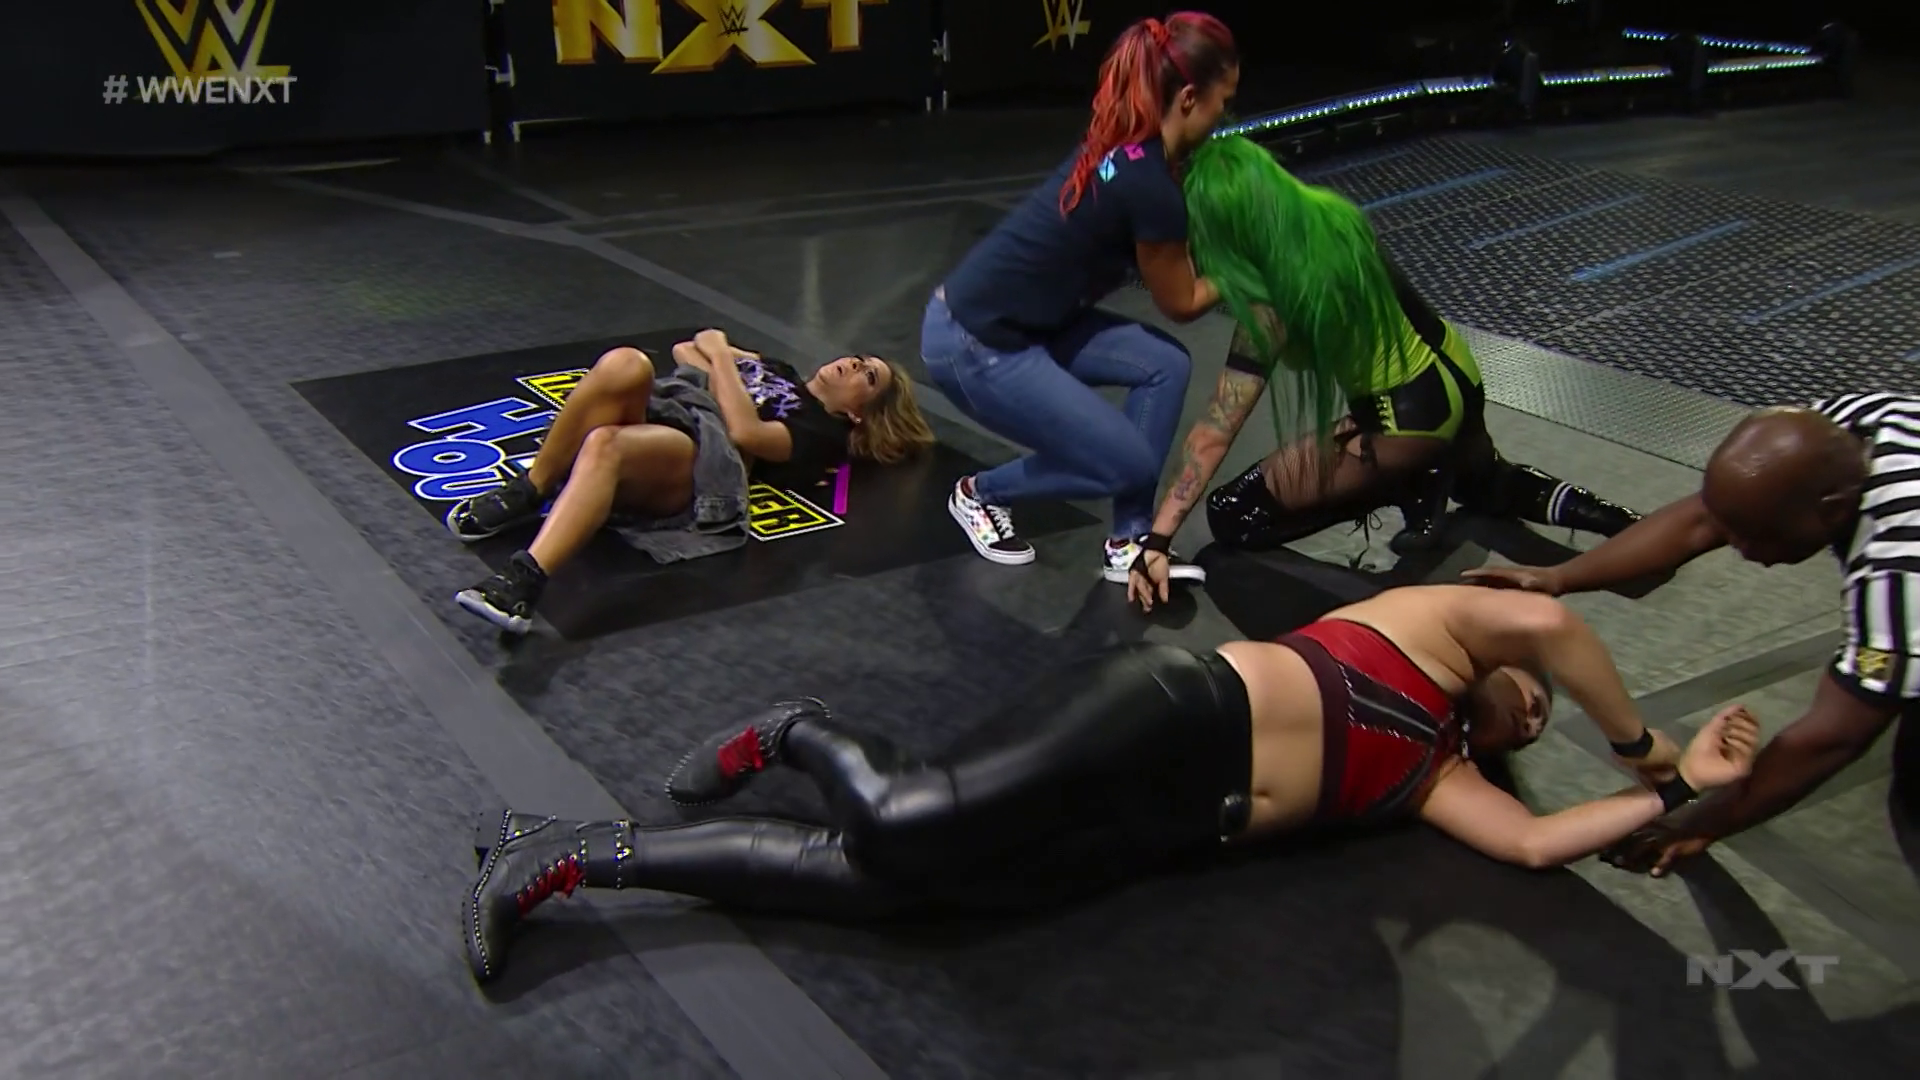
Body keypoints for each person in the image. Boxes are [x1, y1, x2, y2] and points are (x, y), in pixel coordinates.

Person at [459, 584, 1759, 982]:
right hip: (1163, 709)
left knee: (883, 889)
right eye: (1534, 694)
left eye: (1538, 720)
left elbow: (1533, 845)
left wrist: (1680, 800)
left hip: (1164, 825)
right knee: (908, 817)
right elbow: (1555, 627)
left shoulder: (1438, 773)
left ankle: (566, 853)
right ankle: (800, 727)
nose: (1535, 705)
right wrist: (1647, 747)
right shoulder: (1442, 630)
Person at [1127, 135, 1639, 608]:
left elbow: (1218, 426)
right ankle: (1628, 527)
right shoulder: (1333, 217)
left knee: (1234, 512)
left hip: (1405, 423)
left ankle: (1409, 479)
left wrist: (1157, 539)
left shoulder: (1271, 299)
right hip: (1457, 373)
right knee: (1486, 482)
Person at [1461, 395, 1920, 875]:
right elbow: (1701, 520)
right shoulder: (1850, 423)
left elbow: (1832, 737)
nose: (1739, 549)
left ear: (1833, 508)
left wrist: (1698, 825)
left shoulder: (1896, 575)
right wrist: (1558, 577)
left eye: (1755, 535)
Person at [920, 13, 1235, 584]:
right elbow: (1184, 301)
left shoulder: (1128, 143)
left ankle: (1128, 540)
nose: (1224, 119)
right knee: (1124, 464)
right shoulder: (1149, 185)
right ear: (1189, 98)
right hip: (975, 343)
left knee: (1164, 364)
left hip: (1032, 324)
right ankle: (978, 494)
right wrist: (1252, 271)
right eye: (1223, 103)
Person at [447, 329, 933, 633]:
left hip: (704, 458)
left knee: (606, 444)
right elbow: (686, 349)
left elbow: (745, 431)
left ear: (859, 411)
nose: (853, 364)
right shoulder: (779, 372)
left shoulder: (820, 430)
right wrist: (732, 358)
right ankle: (532, 488)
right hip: (678, 411)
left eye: (868, 377)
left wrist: (723, 356)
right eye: (860, 358)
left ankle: (523, 582)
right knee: (627, 362)